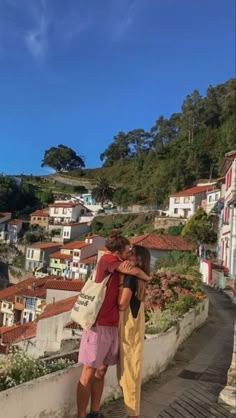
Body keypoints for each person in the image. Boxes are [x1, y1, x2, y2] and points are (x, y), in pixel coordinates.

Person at [77, 230, 150, 418]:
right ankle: (80, 415)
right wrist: (148, 277)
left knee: (101, 371)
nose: (130, 252)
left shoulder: (120, 266)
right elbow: (133, 270)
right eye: (128, 249)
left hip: (112, 326)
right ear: (119, 251)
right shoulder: (108, 260)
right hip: (98, 325)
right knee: (88, 373)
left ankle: (95, 412)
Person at [118, 245, 151, 418]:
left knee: (128, 376)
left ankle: (132, 414)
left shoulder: (131, 278)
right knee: (132, 374)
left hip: (127, 332)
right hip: (135, 332)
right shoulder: (140, 279)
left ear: (137, 259)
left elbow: (123, 304)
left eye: (131, 253)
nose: (127, 254)